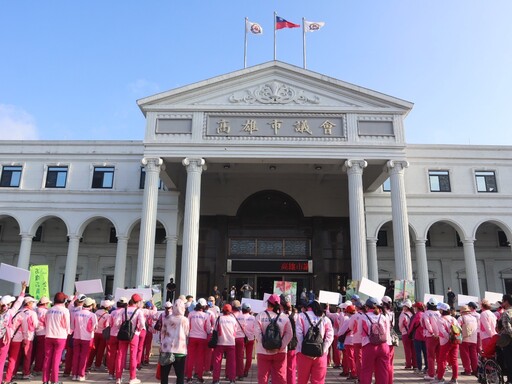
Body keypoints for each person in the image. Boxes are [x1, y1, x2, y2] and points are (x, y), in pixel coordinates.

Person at [255, 294, 292, 384]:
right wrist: (281, 345)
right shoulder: (284, 317)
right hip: (280, 352)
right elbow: (289, 334)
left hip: (263, 351)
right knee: (280, 376)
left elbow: (256, 333)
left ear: (268, 303)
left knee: (263, 376)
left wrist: (264, 343)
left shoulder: (260, 316)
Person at [296, 300, 334, 384]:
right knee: (318, 381)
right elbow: (330, 336)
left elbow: (298, 334)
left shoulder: (301, 316)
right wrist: (323, 349)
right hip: (320, 355)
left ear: (308, 307)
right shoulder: (325, 319)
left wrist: (305, 349)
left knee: (302, 380)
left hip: (303, 354)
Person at [4, 295, 39, 382]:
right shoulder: (32, 313)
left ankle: (13, 373)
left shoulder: (19, 311)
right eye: (33, 302)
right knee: (27, 356)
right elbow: (35, 325)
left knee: (14, 357)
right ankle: (25, 373)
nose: (34, 304)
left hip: (13, 337)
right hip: (27, 337)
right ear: (29, 303)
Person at [359, 297, 391, 384]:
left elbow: (359, 333)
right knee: (383, 371)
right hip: (383, 346)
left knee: (366, 370)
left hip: (369, 345)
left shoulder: (363, 317)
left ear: (367, 307)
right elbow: (387, 332)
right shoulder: (383, 317)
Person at [115, 293, 145, 384]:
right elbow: (142, 324)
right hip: (134, 335)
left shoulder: (123, 310)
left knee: (120, 355)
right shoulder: (138, 311)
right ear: (138, 302)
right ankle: (132, 378)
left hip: (123, 334)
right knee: (133, 356)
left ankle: (118, 378)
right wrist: (138, 329)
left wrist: (122, 328)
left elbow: (117, 323)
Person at [43, 291, 71, 384]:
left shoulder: (49, 310)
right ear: (63, 300)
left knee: (47, 358)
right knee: (56, 359)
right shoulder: (65, 310)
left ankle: (45, 380)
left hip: (49, 335)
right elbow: (67, 325)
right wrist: (67, 332)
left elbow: (45, 322)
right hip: (60, 336)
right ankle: (54, 380)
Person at [160, 298, 190, 384]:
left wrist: (162, 345)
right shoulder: (184, 320)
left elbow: (163, 333)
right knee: (180, 376)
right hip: (180, 350)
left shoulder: (167, 318)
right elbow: (187, 333)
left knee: (164, 375)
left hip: (166, 350)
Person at [185, 298, 211, 383]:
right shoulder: (206, 315)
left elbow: (188, 326)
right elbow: (208, 329)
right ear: (204, 306)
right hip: (202, 338)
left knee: (190, 358)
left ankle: (189, 377)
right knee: (200, 358)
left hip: (192, 337)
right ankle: (199, 377)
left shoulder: (191, 314)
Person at [212, 304, 239, 384]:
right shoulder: (233, 319)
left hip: (220, 342)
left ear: (222, 310)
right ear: (230, 311)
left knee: (217, 362)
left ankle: (216, 380)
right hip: (231, 342)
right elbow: (236, 330)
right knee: (232, 362)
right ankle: (232, 380)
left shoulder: (219, 319)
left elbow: (215, 329)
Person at [71, 297, 98, 381]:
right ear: (90, 306)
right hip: (87, 338)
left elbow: (72, 326)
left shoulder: (76, 313)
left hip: (76, 336)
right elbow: (95, 327)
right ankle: (81, 374)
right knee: (84, 356)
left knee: (76, 356)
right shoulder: (92, 315)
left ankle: (74, 374)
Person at [433, 302, 459, 384]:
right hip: (455, 341)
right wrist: (453, 338)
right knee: (454, 360)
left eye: (440, 309)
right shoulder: (454, 319)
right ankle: (454, 378)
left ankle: (440, 378)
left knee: (442, 360)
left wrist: (449, 338)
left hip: (445, 342)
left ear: (442, 310)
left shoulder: (440, 320)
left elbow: (443, 332)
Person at [422, 297, 441, 381]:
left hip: (430, 336)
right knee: (439, 356)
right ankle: (439, 373)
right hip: (440, 336)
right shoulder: (439, 313)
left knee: (430, 356)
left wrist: (432, 333)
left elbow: (426, 324)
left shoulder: (426, 313)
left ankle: (431, 374)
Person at [458, 305, 478, 376]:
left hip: (464, 338)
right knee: (474, 355)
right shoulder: (474, 318)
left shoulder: (461, 318)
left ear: (462, 312)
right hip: (474, 338)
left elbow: (457, 328)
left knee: (465, 355)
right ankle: (475, 370)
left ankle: (467, 370)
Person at [33, 296, 51, 375]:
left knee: (36, 351)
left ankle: (36, 367)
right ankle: (38, 368)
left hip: (35, 332)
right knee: (41, 352)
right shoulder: (45, 311)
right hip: (43, 332)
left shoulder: (35, 309)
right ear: (45, 303)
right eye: (47, 303)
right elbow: (47, 323)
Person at [408, 301, 427, 374]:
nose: (414, 308)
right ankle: (427, 367)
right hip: (425, 336)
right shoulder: (425, 314)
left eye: (415, 307)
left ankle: (419, 368)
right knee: (426, 353)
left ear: (417, 308)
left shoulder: (417, 315)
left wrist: (409, 333)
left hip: (417, 336)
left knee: (418, 353)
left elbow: (412, 326)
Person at [399, 299, 416, 369]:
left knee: (407, 350)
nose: (403, 307)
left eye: (404, 306)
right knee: (414, 350)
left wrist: (402, 331)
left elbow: (400, 325)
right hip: (413, 334)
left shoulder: (403, 314)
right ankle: (415, 364)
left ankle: (408, 364)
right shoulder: (413, 313)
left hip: (405, 333)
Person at [240, 302, 256, 378]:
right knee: (249, 356)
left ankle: (241, 370)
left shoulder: (239, 317)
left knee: (240, 355)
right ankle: (246, 370)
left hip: (242, 338)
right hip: (251, 338)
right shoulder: (253, 318)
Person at [500, 294, 512, 382]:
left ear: (507, 301)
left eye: (503, 301)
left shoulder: (506, 312)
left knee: (509, 361)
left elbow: (507, 327)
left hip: (508, 340)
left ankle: (510, 379)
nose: (502, 303)